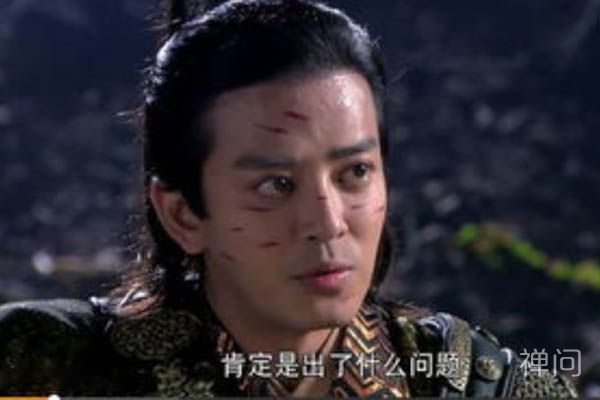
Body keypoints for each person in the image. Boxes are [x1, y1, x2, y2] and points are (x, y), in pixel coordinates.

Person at [0, 0, 579, 397]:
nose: (327, 222)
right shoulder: (46, 366)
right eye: (276, 184)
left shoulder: (476, 383)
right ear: (182, 214)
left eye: (355, 172)